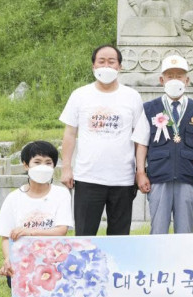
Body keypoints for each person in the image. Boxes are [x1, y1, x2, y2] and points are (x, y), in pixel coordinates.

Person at [59, 44, 143, 236]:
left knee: (120, 237)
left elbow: (139, 139)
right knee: (85, 235)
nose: (106, 66)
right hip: (88, 177)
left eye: (111, 62)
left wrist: (140, 170)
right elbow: (70, 133)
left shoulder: (132, 97)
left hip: (123, 179)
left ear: (119, 67)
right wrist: (66, 167)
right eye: (101, 61)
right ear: (93, 66)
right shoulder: (80, 95)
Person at [132, 55, 193, 234]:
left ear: (187, 80)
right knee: (158, 231)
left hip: (187, 177)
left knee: (185, 231)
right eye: (170, 75)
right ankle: (156, 262)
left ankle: (185, 263)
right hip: (158, 177)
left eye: (179, 75)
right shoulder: (150, 108)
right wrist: (140, 173)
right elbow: (142, 144)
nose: (175, 79)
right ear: (162, 80)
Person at [0, 141, 73, 287]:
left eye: (48, 163)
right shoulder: (13, 198)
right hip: (24, 259)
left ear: (54, 166)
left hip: (52, 258)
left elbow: (61, 230)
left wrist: (30, 232)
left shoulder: (61, 194)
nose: (43, 167)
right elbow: (5, 237)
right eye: (37, 162)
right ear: (26, 165)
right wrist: (8, 259)